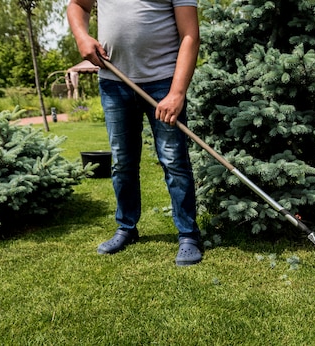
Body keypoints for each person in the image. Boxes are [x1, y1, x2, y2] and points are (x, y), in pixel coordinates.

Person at [67, 0, 203, 266]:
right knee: (122, 162)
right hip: (114, 82)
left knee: (174, 161)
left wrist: (176, 93)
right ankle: (126, 227)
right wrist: (82, 37)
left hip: (163, 82)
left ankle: (188, 235)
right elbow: (77, 5)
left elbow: (190, 35)